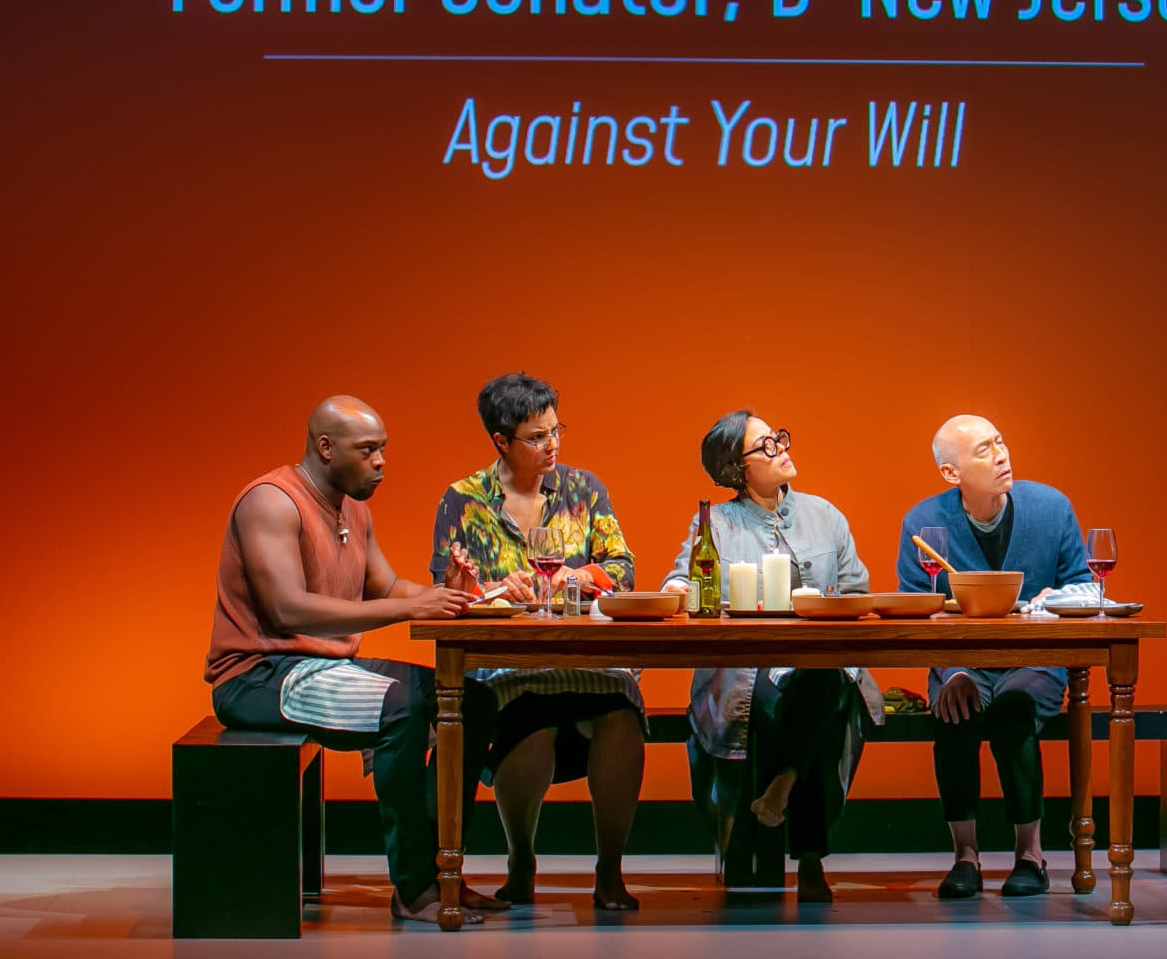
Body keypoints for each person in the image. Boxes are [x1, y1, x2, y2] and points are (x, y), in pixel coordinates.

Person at [204, 396, 502, 925]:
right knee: (403, 709)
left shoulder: (352, 506)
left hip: (321, 668)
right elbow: (286, 608)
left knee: (473, 700)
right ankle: (413, 888)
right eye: (368, 451)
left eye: (383, 449)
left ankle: (443, 873)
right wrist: (409, 607)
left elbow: (385, 585)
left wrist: (456, 593)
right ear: (325, 447)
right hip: (261, 675)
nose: (381, 462)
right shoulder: (271, 502)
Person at [431, 372, 645, 911]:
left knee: (621, 718)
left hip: (589, 660)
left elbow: (623, 569)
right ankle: (521, 860)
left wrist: (577, 577)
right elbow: (447, 588)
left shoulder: (583, 490)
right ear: (501, 441)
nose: (553, 445)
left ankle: (610, 870)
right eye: (537, 436)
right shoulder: (464, 500)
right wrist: (486, 588)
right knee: (529, 723)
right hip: (511, 666)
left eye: (557, 431)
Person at [660, 412, 883, 904]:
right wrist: (678, 589)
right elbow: (682, 577)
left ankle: (784, 787)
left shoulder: (826, 515)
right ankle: (809, 860)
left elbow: (857, 591)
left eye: (779, 436)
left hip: (823, 663)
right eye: (765, 445)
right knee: (802, 704)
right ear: (737, 470)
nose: (781, 447)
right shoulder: (716, 522)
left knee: (823, 684)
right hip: (750, 668)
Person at [894, 414, 1090, 899]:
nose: (1001, 455)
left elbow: (1084, 586)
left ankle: (1031, 855)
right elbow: (916, 607)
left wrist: (1052, 602)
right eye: (983, 450)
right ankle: (966, 858)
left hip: (1036, 660)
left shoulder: (1050, 508)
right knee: (954, 713)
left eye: (1000, 442)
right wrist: (952, 668)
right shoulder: (923, 523)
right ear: (951, 473)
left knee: (1012, 710)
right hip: (960, 661)